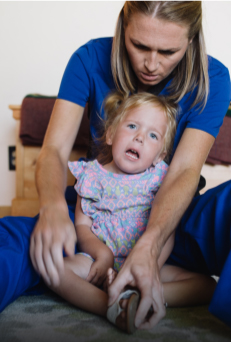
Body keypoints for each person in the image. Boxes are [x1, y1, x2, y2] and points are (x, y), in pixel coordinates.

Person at [0, 2, 231, 340]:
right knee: (13, 238)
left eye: (168, 51)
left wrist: (151, 245)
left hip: (171, 218)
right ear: (123, 26)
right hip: (98, 221)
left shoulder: (214, 79)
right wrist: (52, 207)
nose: (151, 64)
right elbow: (54, 149)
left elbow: (184, 170)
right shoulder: (87, 58)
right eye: (140, 45)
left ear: (191, 40)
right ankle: (111, 296)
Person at [47, 92, 216, 333]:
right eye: (133, 126)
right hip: (99, 261)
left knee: (206, 285)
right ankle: (108, 304)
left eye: (153, 135)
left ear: (160, 156)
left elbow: (167, 232)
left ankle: (144, 295)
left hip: (145, 261)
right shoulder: (91, 176)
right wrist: (102, 255)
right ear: (111, 134)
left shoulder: (161, 180)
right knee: (53, 269)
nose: (139, 138)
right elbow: (82, 226)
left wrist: (152, 268)